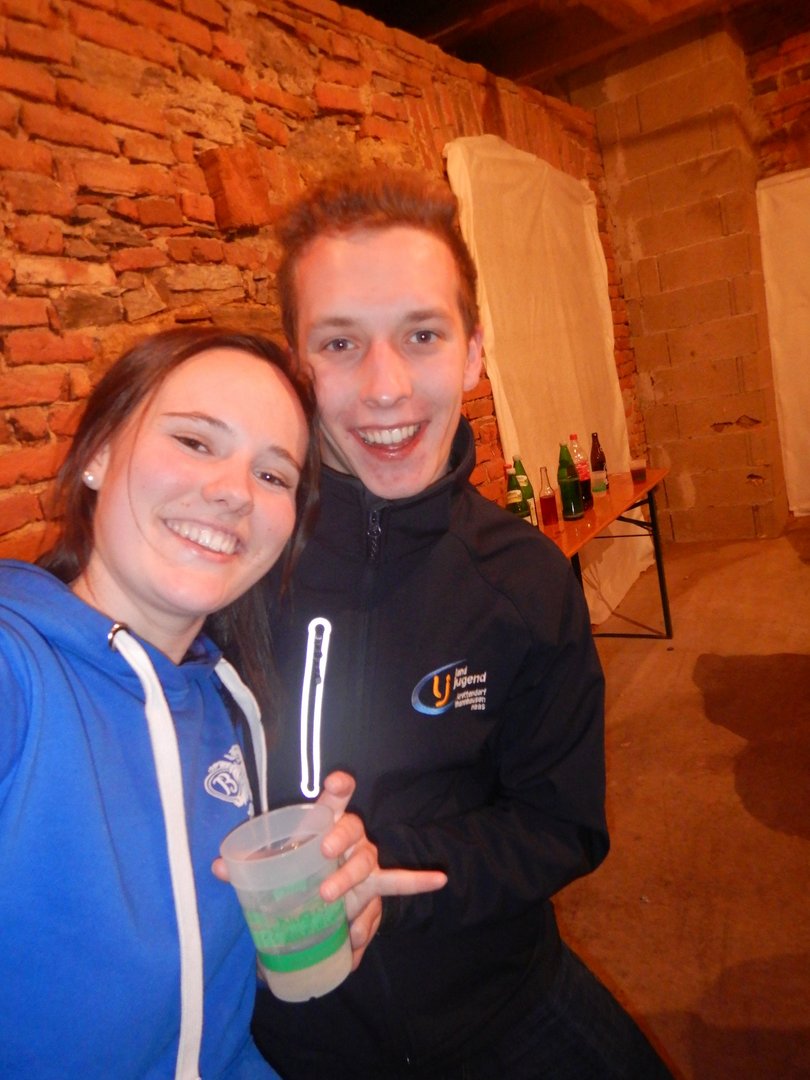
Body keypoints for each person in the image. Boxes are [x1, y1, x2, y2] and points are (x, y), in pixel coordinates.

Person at [250, 170, 673, 1078]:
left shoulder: (524, 580)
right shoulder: (240, 564)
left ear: (474, 354)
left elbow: (562, 826)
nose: (387, 388)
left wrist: (389, 871)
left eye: (422, 335)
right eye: (340, 343)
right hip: (295, 1038)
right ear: (297, 368)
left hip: (501, 997)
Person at [0, 326, 445, 1079]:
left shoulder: (228, 706)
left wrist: (300, 927)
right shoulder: (18, 669)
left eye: (273, 475)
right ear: (99, 452)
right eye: (196, 442)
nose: (235, 492)